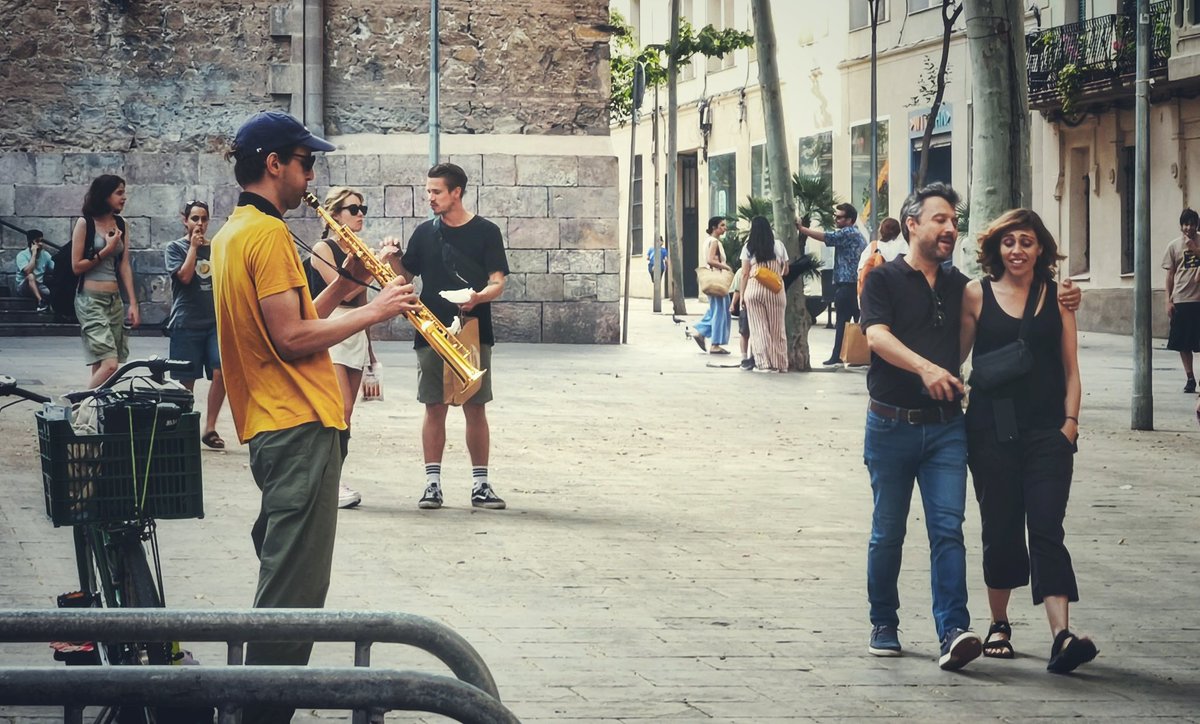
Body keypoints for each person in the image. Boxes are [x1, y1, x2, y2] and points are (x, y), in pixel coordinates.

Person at [210, 110, 420, 724]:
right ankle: (260, 713)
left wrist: (347, 286)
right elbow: (291, 338)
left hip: (271, 425)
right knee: (295, 591)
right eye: (305, 163)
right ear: (274, 163)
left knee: (284, 567)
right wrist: (376, 310)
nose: (311, 176)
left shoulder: (233, 232)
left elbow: (292, 320)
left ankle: (254, 703)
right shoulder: (270, 236)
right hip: (297, 423)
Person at [859, 183, 1082, 670]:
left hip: (946, 427)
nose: (949, 227)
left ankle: (953, 631)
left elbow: (1011, 296)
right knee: (888, 532)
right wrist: (926, 369)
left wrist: (1067, 292)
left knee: (948, 530)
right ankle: (884, 622)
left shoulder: (960, 285)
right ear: (912, 224)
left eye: (953, 221)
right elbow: (875, 336)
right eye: (939, 219)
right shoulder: (884, 279)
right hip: (891, 424)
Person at [960, 208, 1096, 674]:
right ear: (996, 249)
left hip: (1047, 432)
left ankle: (1062, 636)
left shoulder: (1059, 296)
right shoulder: (976, 294)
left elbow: (1072, 369)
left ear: (1041, 249)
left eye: (1026, 242)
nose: (1017, 250)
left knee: (1046, 526)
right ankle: (999, 623)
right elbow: (957, 356)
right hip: (991, 431)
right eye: (1009, 242)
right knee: (1000, 527)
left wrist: (1069, 425)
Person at [391, 163, 510, 511]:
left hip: (473, 328)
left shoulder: (486, 231)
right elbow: (405, 277)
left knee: (475, 407)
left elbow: (498, 281)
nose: (430, 197)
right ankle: (432, 485)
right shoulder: (424, 233)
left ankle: (481, 485)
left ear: (456, 192)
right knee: (434, 407)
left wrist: (479, 297)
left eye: (436, 191)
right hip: (430, 329)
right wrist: (393, 259)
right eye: (428, 191)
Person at [307, 187, 400, 510]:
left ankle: (332, 479)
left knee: (346, 417)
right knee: (338, 409)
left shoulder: (358, 248)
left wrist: (370, 351)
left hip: (355, 333)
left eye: (363, 208)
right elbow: (344, 292)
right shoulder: (323, 247)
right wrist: (375, 263)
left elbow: (362, 303)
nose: (360, 214)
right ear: (335, 214)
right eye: (353, 209)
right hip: (332, 327)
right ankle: (326, 481)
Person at [164, 201, 228, 450]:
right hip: (186, 321)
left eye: (203, 219)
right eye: (194, 219)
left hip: (214, 322)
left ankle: (210, 427)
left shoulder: (216, 248)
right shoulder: (175, 248)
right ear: (185, 220)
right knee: (186, 380)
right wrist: (193, 247)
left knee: (221, 371)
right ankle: (184, 427)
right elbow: (185, 277)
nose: (200, 223)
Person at [71, 175, 139, 388]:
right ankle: (78, 403)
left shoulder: (122, 224)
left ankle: (93, 407)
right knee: (110, 365)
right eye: (119, 193)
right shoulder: (85, 223)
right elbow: (76, 266)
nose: (124, 197)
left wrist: (133, 303)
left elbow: (124, 265)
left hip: (114, 301)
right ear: (104, 195)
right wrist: (106, 250)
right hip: (90, 301)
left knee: (101, 362)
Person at [798, 203, 866, 366]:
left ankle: (838, 356)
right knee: (857, 321)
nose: (836, 219)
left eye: (840, 217)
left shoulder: (848, 233)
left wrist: (802, 229)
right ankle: (858, 355)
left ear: (850, 220)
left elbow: (827, 237)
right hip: (854, 285)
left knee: (842, 322)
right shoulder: (856, 234)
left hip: (847, 285)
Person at [738, 216, 789, 372]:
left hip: (754, 290)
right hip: (775, 291)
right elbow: (786, 270)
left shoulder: (748, 247)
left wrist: (742, 295)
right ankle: (779, 364)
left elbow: (744, 273)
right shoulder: (779, 245)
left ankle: (763, 364)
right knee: (777, 329)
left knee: (759, 329)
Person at [1163, 208, 1200, 394]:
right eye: (1186, 224)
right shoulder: (1173, 246)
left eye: (1192, 224)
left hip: (1199, 300)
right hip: (1181, 299)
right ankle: (1190, 378)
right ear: (1181, 226)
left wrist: (1194, 249)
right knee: (1183, 343)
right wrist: (1167, 300)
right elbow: (1170, 275)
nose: (1189, 228)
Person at [691, 216, 733, 355]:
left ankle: (701, 332)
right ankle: (715, 343)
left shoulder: (707, 241)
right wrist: (726, 267)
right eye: (722, 225)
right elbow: (710, 260)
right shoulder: (714, 242)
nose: (725, 228)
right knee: (720, 311)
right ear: (714, 227)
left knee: (716, 309)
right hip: (718, 279)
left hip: (712, 279)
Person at [856, 217, 906, 298]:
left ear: (880, 230)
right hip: (899, 290)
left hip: (875, 291)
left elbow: (861, 270)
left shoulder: (873, 246)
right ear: (898, 231)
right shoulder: (904, 246)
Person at [15, 229, 53, 312]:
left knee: (49, 292)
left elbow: (55, 268)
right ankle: (40, 302)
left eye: (42, 241)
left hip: (39, 285)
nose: (40, 244)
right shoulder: (22, 255)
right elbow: (28, 271)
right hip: (23, 287)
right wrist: (34, 254)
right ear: (31, 243)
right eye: (37, 241)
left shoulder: (45, 254)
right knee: (30, 276)